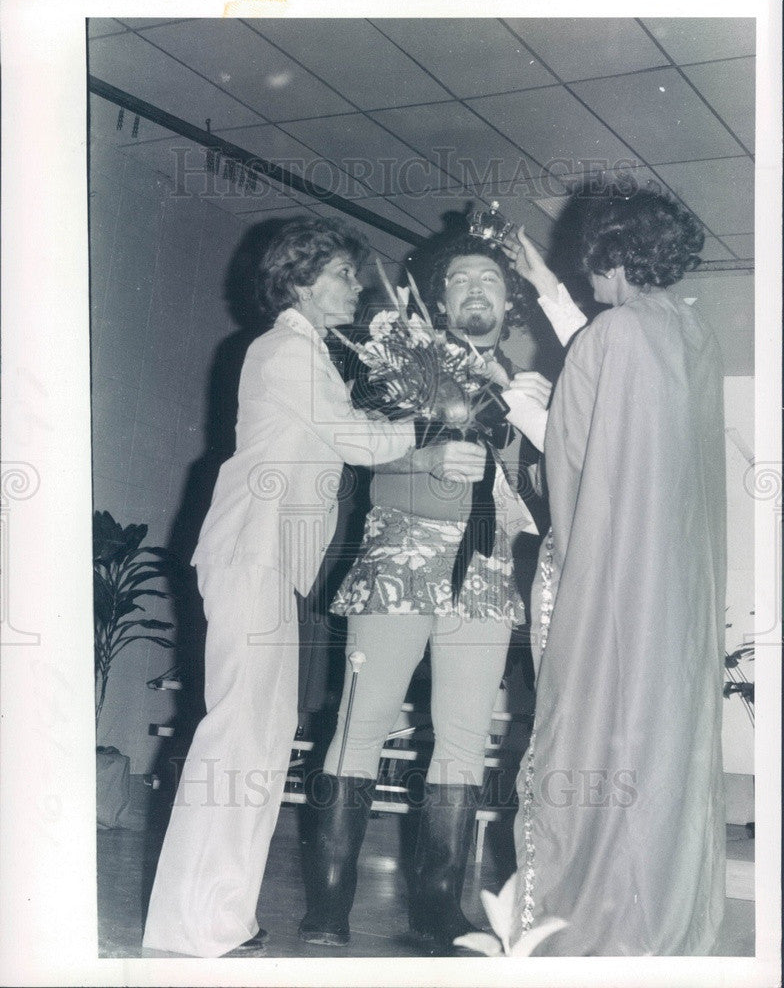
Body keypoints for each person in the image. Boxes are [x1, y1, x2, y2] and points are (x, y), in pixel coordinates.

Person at [142, 217, 484, 958]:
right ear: (299, 279)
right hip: (251, 551)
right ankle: (195, 923)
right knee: (240, 737)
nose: (356, 285)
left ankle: (216, 917)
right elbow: (357, 439)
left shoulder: (307, 353)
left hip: (267, 559)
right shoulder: (286, 349)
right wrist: (437, 426)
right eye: (341, 273)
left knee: (260, 738)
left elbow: (349, 432)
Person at [297, 233, 552, 951]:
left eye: (492, 281)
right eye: (461, 279)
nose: (477, 289)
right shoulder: (393, 365)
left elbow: (548, 486)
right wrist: (427, 452)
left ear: (510, 303)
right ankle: (328, 907)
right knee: (360, 725)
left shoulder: (526, 391)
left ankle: (439, 910)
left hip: (485, 572)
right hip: (399, 558)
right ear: (438, 300)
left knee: (465, 741)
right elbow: (360, 457)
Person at [501, 189, 727, 955]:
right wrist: (545, 289)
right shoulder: (688, 333)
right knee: (654, 747)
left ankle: (590, 920)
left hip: (610, 583)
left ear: (609, 251)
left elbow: (576, 459)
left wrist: (518, 403)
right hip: (674, 594)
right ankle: (657, 921)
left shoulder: (615, 335)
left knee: (594, 734)